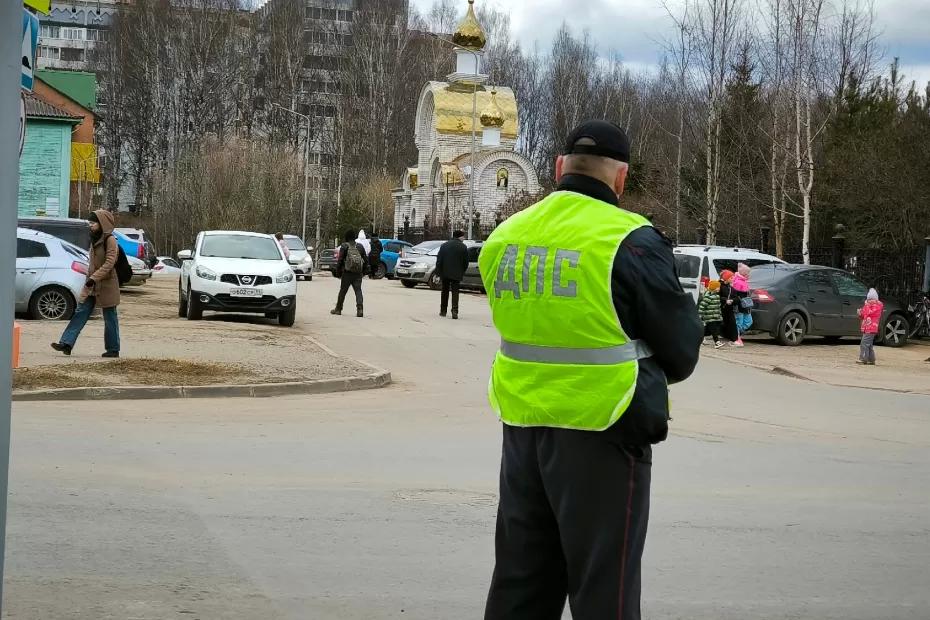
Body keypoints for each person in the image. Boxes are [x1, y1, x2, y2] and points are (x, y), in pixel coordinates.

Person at [479, 120, 703, 620]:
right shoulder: (629, 240)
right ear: (620, 179)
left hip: (522, 427)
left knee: (521, 580)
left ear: (559, 168)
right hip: (604, 424)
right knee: (605, 587)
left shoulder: (504, 237)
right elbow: (681, 349)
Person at [51, 210, 121, 358]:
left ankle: (113, 349)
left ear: (102, 223)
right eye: (90, 223)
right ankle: (66, 343)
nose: (90, 225)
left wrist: (94, 277)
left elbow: (110, 263)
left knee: (110, 318)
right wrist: (90, 279)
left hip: (107, 285)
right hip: (92, 284)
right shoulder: (94, 238)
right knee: (80, 312)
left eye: (93, 223)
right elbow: (92, 263)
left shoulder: (110, 240)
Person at [331, 229, 369, 317]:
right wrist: (364, 272)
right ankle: (360, 310)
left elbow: (340, 260)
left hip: (347, 273)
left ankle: (338, 309)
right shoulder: (360, 246)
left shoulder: (344, 246)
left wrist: (338, 272)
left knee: (343, 291)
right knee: (358, 291)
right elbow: (366, 260)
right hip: (358, 273)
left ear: (346, 237)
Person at [436, 230, 469, 319]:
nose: (464, 238)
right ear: (459, 237)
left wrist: (438, 272)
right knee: (455, 292)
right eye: (463, 236)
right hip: (457, 273)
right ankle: (455, 311)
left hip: (445, 272)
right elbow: (466, 262)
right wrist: (462, 271)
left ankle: (443, 311)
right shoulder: (463, 247)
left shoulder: (444, 245)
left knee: (445, 291)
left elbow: (439, 260)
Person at [857, 288, 883, 365]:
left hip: (871, 328)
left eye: (872, 299)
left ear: (875, 299)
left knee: (864, 343)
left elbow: (870, 313)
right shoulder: (868, 306)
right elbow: (864, 315)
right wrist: (860, 313)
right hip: (867, 328)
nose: (870, 301)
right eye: (869, 299)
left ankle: (863, 359)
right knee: (869, 344)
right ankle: (871, 359)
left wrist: (866, 306)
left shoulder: (877, 306)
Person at [699, 279, 725, 349]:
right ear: (714, 288)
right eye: (718, 287)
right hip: (709, 317)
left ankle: (699, 337)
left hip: (716, 317)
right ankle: (717, 342)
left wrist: (720, 316)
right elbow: (702, 306)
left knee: (708, 331)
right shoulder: (708, 296)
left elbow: (718, 307)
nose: (719, 288)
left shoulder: (717, 296)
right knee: (714, 330)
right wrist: (700, 315)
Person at [731, 262, 753, 345]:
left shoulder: (744, 281)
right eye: (748, 273)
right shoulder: (737, 282)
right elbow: (735, 295)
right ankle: (737, 338)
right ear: (744, 274)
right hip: (739, 306)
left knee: (749, 322)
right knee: (739, 323)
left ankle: (735, 334)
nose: (749, 275)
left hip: (746, 306)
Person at [719, 269, 740, 345]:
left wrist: (732, 301)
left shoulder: (731, 287)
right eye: (731, 278)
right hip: (720, 308)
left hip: (729, 308)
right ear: (726, 278)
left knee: (732, 323)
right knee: (715, 323)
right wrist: (725, 300)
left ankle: (734, 340)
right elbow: (716, 296)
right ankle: (704, 336)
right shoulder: (719, 285)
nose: (732, 279)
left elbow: (737, 298)